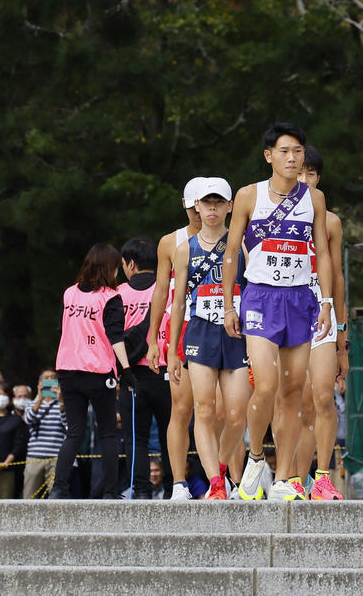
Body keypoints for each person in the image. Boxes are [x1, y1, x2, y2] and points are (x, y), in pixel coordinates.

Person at [224, 122, 334, 501]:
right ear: (269, 155)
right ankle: (256, 458)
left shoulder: (313, 200)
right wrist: (228, 304)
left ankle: (286, 477)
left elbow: (323, 254)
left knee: (291, 392)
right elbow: (231, 253)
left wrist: (328, 304)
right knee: (266, 384)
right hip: (259, 298)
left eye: (299, 151)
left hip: (300, 300)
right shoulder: (248, 196)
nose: (293, 158)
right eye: (285, 151)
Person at [170, 179, 249, 501]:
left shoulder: (242, 244)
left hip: (236, 333)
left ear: (230, 206)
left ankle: (221, 464)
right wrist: (171, 351)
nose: (212, 209)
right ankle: (216, 482)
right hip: (200, 332)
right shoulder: (183, 249)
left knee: (235, 414)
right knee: (203, 410)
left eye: (219, 203)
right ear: (196, 207)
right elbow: (177, 303)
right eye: (207, 203)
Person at [51, 243, 134, 499]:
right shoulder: (110, 296)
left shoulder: (69, 293)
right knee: (107, 432)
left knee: (74, 432)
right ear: (109, 268)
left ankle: (58, 488)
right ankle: (110, 492)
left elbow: (62, 329)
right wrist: (126, 369)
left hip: (68, 369)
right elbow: (116, 336)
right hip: (99, 372)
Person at [145, 177, 204, 499]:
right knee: (180, 409)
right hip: (180, 329)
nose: (201, 214)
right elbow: (159, 291)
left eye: (207, 206)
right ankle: (179, 482)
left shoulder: (232, 237)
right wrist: (153, 339)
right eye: (194, 208)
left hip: (220, 327)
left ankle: (224, 480)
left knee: (219, 410)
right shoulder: (171, 242)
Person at [295, 147, 348, 501]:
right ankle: (292, 479)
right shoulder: (267, 216)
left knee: (323, 397)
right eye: (299, 172)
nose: (304, 180)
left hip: (322, 317)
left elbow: (339, 281)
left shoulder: (330, 222)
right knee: (298, 404)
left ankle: (323, 476)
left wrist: (343, 335)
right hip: (285, 316)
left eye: (311, 173)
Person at [117, 237, 170, 499]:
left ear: (131, 264)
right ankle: (174, 488)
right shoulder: (169, 289)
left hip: (133, 375)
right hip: (167, 372)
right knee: (171, 434)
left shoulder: (118, 294)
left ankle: (141, 491)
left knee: (135, 438)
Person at [23, 370, 66, 498]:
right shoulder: (31, 404)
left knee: (56, 496)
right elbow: (28, 420)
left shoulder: (63, 404)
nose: (50, 380)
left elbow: (67, 424)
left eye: (53, 378)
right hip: (34, 456)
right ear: (39, 383)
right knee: (29, 495)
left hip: (56, 457)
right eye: (46, 378)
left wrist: (61, 402)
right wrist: (40, 398)